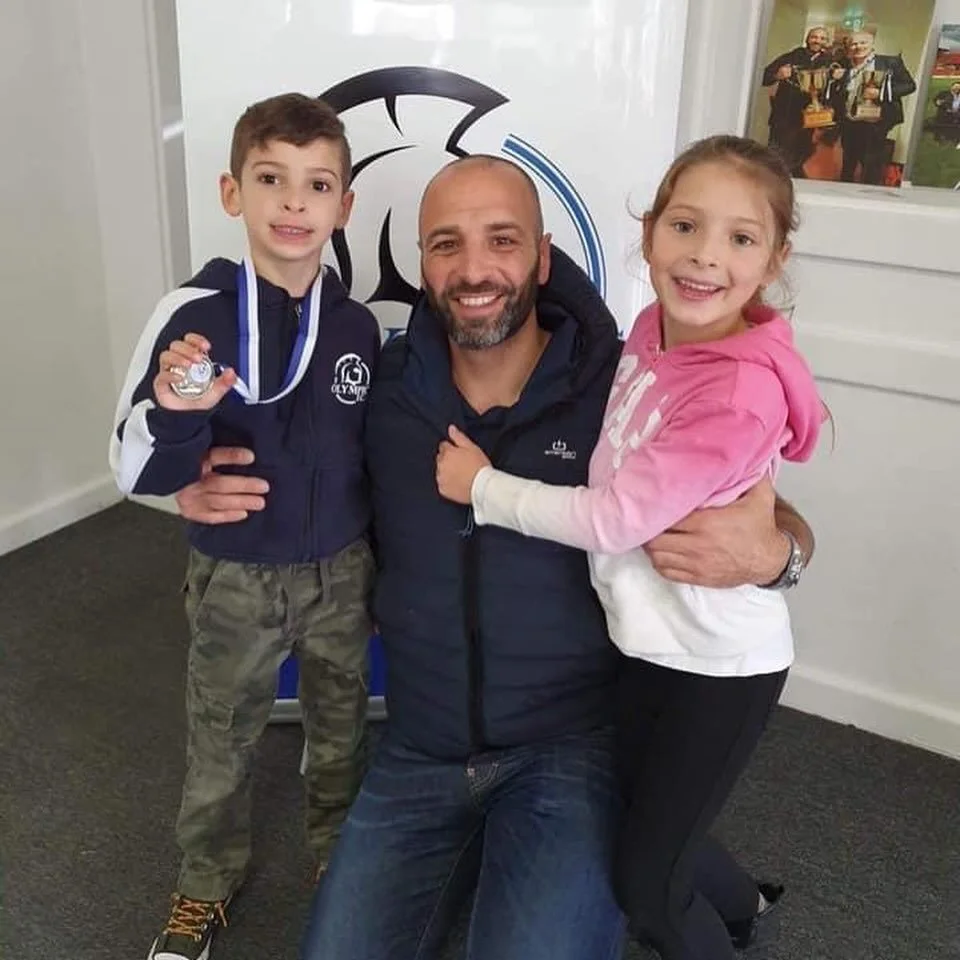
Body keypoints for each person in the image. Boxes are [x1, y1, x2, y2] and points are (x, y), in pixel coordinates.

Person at [176, 154, 815, 960]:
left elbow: (767, 506)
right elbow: (274, 461)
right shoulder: (376, 387)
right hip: (418, 747)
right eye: (446, 244)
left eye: (502, 240)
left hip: (570, 749)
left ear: (543, 258)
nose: (474, 269)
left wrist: (777, 554)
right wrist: (193, 485)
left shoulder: (617, 382)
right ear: (420, 262)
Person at [434, 136, 821, 960]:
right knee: (645, 816)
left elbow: (614, 521)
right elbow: (556, 293)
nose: (705, 258)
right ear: (648, 233)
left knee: (647, 887)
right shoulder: (653, 327)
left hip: (717, 667)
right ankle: (744, 908)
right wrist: (522, 258)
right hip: (648, 644)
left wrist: (484, 488)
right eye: (685, 226)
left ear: (774, 259)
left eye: (740, 239)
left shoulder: (738, 393)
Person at [109, 93, 380, 960]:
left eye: (317, 185)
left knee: (343, 726)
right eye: (272, 179)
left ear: (344, 206)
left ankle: (339, 857)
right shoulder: (190, 317)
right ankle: (203, 886)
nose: (294, 204)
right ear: (234, 193)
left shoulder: (358, 325)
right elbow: (130, 461)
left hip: (342, 570)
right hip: (237, 574)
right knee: (222, 734)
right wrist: (180, 425)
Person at [828, 30, 917, 184]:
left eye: (863, 42)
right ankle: (844, 196)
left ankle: (869, 197)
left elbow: (909, 85)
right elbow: (837, 93)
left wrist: (881, 93)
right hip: (849, 121)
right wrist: (834, 80)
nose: (858, 46)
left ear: (871, 44)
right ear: (849, 46)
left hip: (876, 122)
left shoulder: (890, 62)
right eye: (854, 43)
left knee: (871, 165)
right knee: (848, 163)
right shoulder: (843, 64)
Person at [761, 26, 836, 176]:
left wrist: (837, 79)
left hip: (810, 118)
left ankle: (793, 181)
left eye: (822, 38)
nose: (817, 41)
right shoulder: (791, 56)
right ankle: (772, 182)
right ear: (807, 39)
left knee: (801, 154)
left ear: (827, 42)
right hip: (785, 116)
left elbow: (836, 92)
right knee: (776, 156)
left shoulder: (830, 62)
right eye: (814, 37)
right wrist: (778, 75)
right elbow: (764, 77)